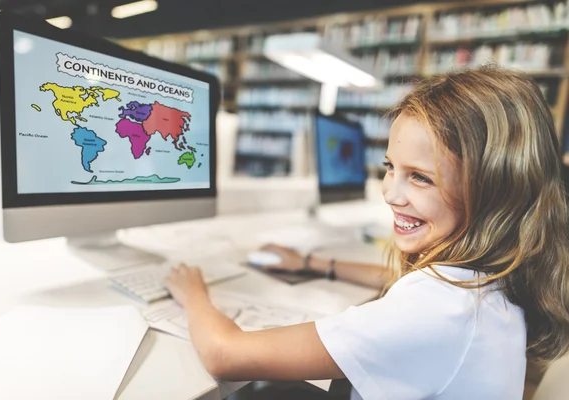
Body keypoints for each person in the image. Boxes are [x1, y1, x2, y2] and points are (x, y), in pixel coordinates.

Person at [165, 66, 569, 399]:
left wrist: (194, 293)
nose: (390, 193)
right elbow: (396, 281)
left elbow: (226, 354)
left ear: (493, 190)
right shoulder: (487, 279)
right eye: (390, 166)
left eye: (421, 179)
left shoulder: (434, 309)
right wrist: (313, 264)